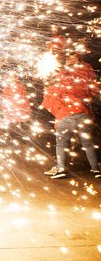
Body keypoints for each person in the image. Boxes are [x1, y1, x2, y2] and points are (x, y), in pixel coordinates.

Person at [41, 49, 99, 179]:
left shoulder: (61, 79)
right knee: (88, 144)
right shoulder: (81, 74)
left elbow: (49, 101)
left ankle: (61, 169)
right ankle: (96, 169)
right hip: (83, 113)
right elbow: (92, 89)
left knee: (61, 144)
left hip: (66, 115)